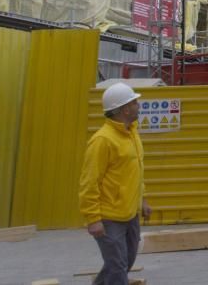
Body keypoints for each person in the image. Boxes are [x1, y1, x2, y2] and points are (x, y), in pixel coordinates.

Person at [80, 83, 152, 285]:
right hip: (109, 217)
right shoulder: (102, 140)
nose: (139, 105)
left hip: (130, 213)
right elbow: (89, 182)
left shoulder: (131, 133)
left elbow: (135, 172)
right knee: (118, 267)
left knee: (124, 262)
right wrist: (93, 219)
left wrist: (143, 200)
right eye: (135, 102)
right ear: (124, 109)